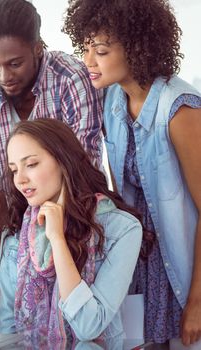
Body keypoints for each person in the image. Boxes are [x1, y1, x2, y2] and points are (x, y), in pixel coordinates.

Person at [63, 0, 201, 345]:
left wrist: (198, 302)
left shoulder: (180, 109)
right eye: (86, 47)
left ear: (137, 49)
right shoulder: (111, 99)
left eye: (101, 51)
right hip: (139, 264)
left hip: (186, 270)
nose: (88, 61)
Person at [0, 0, 104, 312]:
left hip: (78, 216)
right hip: (18, 223)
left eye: (15, 63)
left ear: (38, 48)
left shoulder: (70, 79)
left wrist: (64, 256)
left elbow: (83, 172)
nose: (3, 75)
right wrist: (3, 278)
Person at [0, 119, 142, 346]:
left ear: (63, 161)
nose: (20, 179)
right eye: (14, 169)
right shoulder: (16, 237)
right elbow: (9, 334)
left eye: (32, 164)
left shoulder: (122, 229)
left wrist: (57, 239)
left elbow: (89, 326)